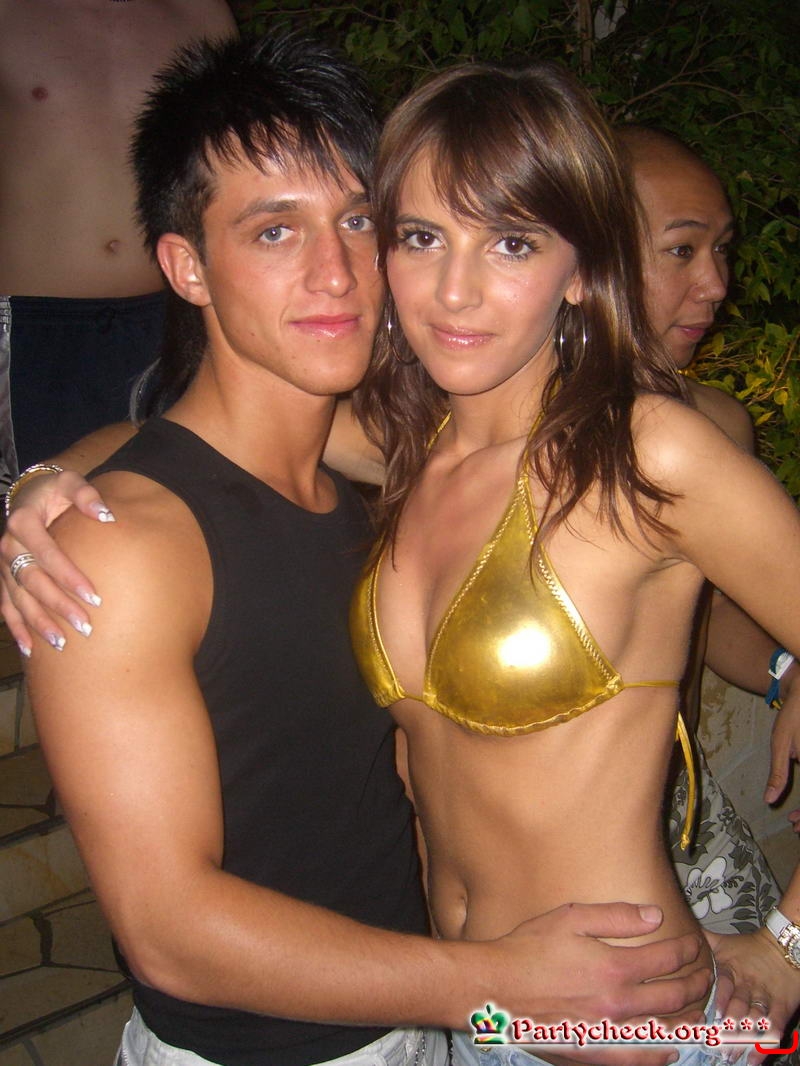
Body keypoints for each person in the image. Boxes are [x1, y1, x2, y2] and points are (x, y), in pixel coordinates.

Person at [7, 34, 714, 1066]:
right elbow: (168, 933)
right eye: (273, 231)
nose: (334, 272)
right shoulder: (119, 552)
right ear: (187, 267)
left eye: (357, 221)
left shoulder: (391, 471)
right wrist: (498, 982)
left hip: (435, 1024)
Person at [344, 61, 800, 1063]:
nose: (454, 290)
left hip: (628, 1036)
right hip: (472, 1017)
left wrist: (786, 949)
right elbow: (203, 428)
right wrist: (36, 490)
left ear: (583, 268)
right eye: (422, 237)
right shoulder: (409, 453)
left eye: (511, 242)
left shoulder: (647, 454)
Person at [616, 125, 797, 936]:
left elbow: (711, 607)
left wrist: (786, 669)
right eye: (682, 251)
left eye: (720, 249)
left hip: (675, 821)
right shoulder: (476, 428)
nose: (717, 283)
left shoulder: (714, 427)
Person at [0, 0, 237, 483]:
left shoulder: (199, 12)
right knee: (44, 503)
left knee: (186, 493)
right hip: (36, 332)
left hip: (178, 316)